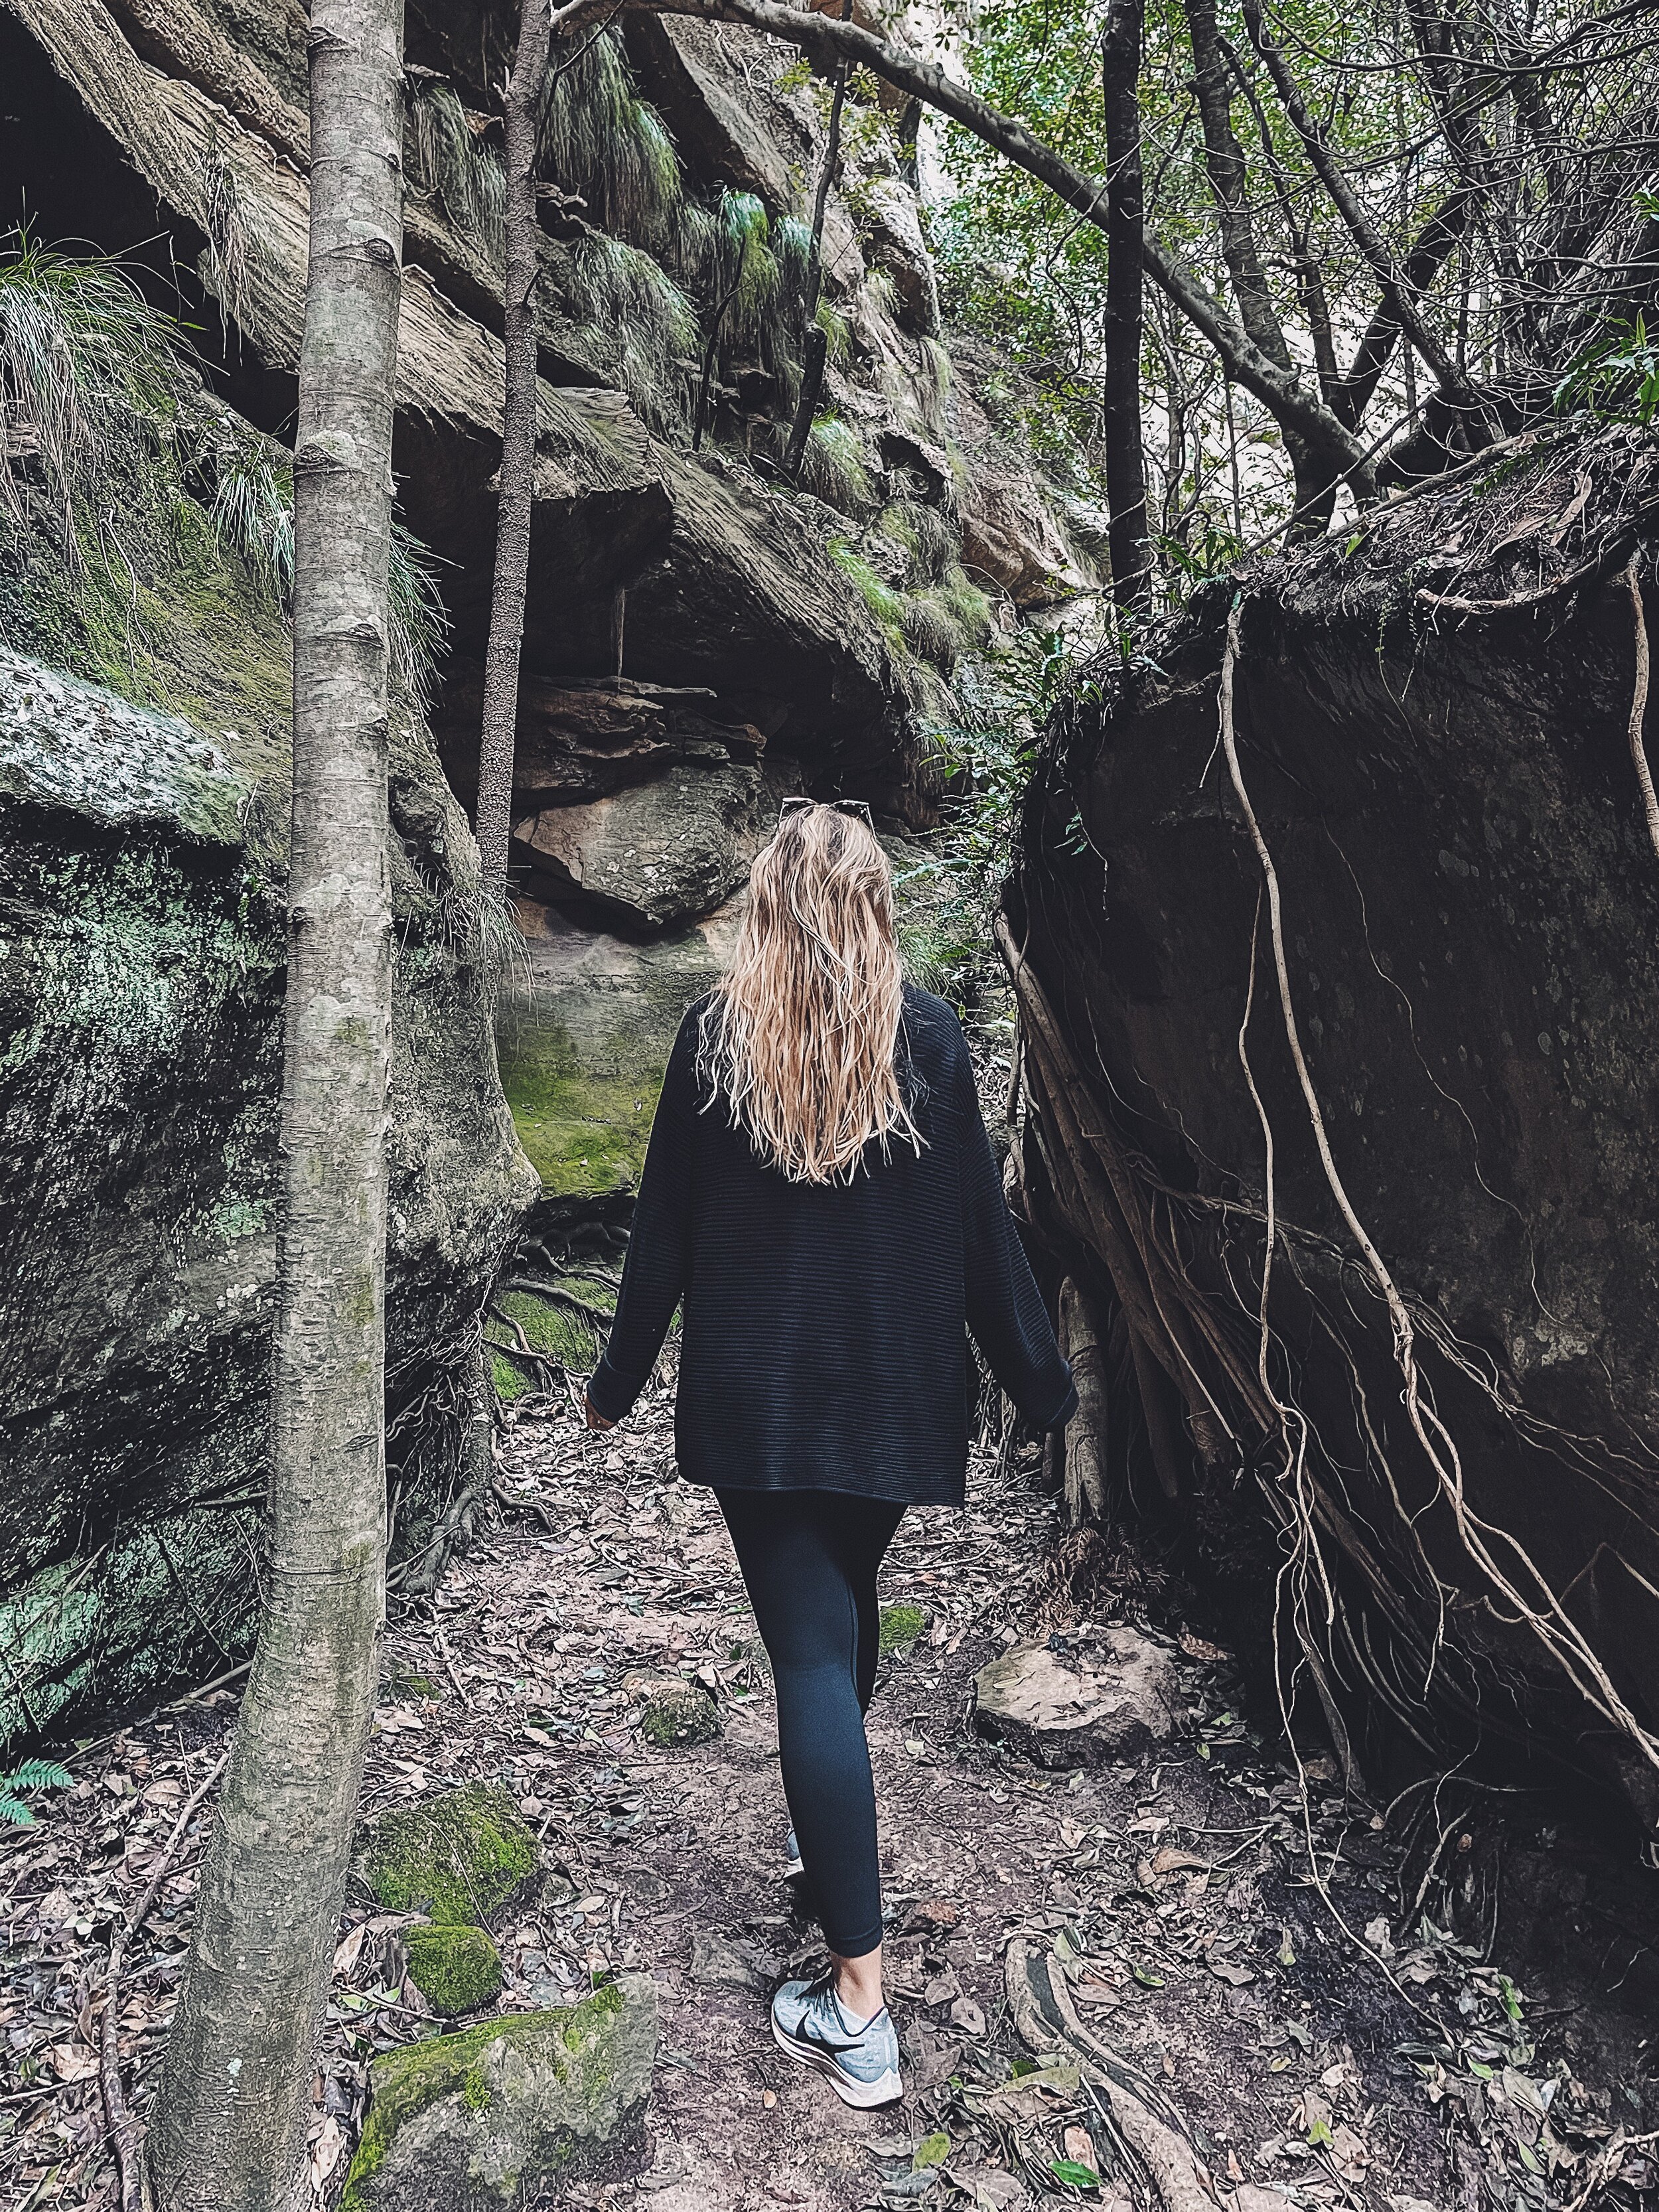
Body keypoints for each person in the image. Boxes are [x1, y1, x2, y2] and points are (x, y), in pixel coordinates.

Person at [583, 796, 1076, 2108]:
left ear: (769, 907)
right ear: (869, 911)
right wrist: (1040, 1381)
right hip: (889, 1402)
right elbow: (983, 1234)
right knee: (836, 1616)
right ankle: (828, 1814)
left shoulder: (714, 1037)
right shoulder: (926, 1037)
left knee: (809, 1655)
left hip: (761, 1407)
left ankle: (858, 2004)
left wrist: (615, 1381)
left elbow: (662, 1238)